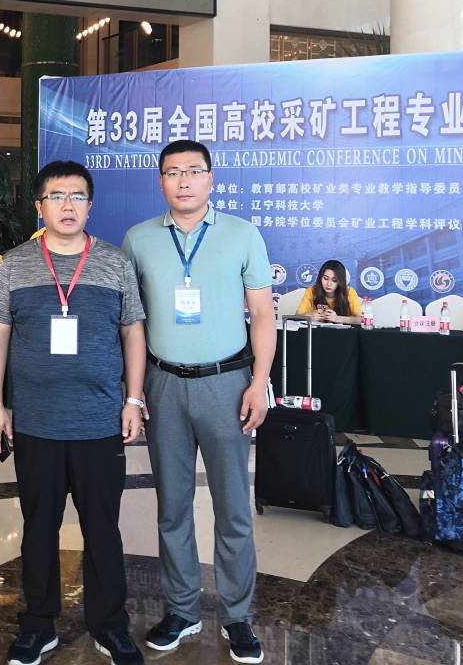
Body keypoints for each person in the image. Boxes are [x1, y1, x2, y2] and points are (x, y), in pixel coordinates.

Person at [0, 160, 148, 665]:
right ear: (40, 207)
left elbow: (133, 332)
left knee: (103, 528)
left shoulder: (115, 263)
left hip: (99, 421)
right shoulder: (15, 264)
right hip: (36, 423)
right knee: (39, 528)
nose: (68, 205)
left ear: (90, 206)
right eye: (56, 196)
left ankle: (109, 623)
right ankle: (38, 624)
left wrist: (134, 399)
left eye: (77, 196)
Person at [121, 140, 274, 665]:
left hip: (226, 384)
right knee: (172, 507)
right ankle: (182, 609)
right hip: (163, 384)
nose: (183, 181)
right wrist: (134, 393)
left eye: (193, 171)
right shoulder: (139, 239)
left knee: (233, 507)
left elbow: (263, 315)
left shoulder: (242, 234)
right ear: (160, 181)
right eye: (172, 172)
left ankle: (238, 615)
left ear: (211, 178)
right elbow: (131, 322)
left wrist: (258, 382)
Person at [296, 260, 362, 324]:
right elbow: (296, 316)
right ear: (320, 278)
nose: (329, 284)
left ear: (340, 281)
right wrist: (307, 316)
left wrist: (337, 318)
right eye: (325, 278)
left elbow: (361, 320)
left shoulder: (349, 292)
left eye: (334, 280)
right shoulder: (311, 291)